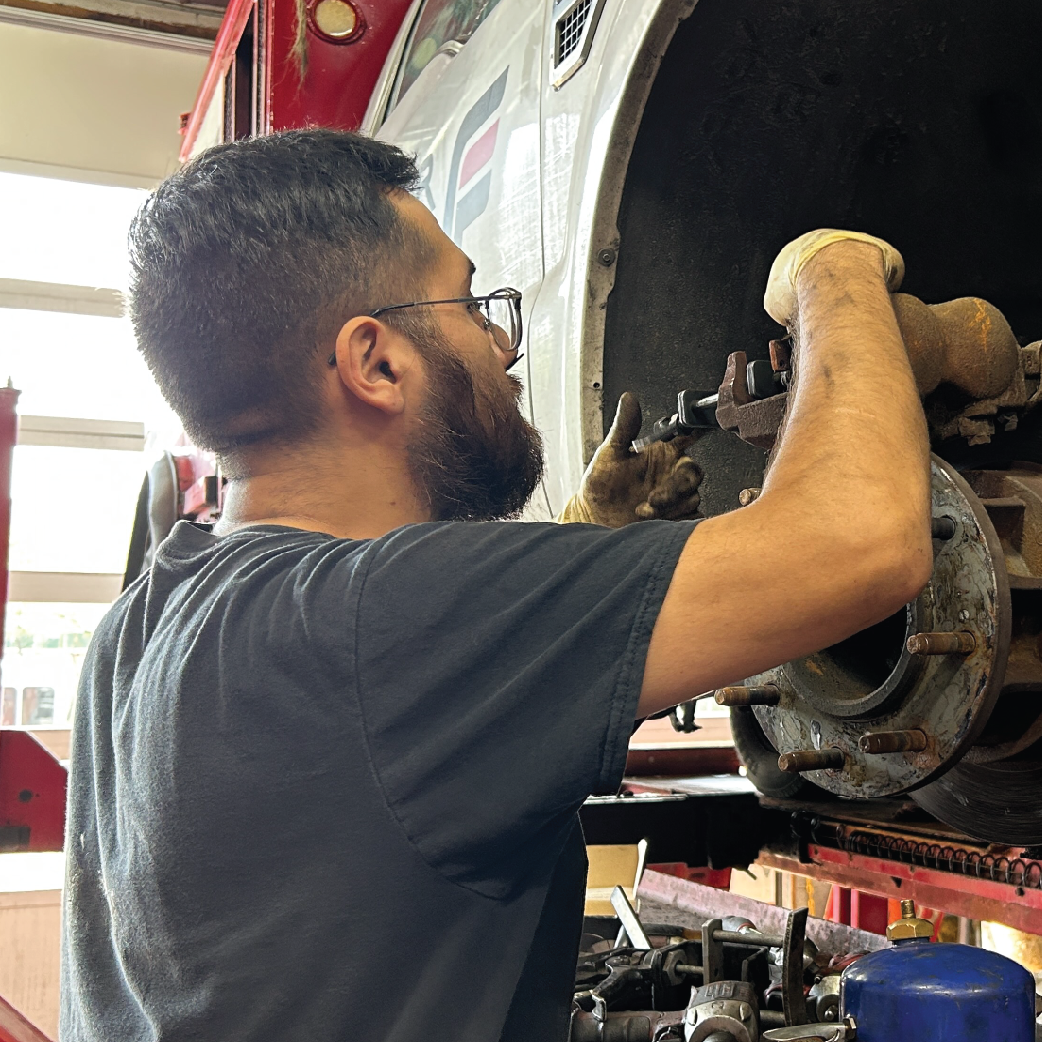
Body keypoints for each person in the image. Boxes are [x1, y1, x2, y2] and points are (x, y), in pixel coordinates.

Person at [60, 129, 931, 1042]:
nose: (504, 348)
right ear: (377, 363)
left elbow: (386, 736)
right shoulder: (381, 623)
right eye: (474, 308)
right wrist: (833, 272)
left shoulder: (152, 615)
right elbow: (864, 540)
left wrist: (588, 545)